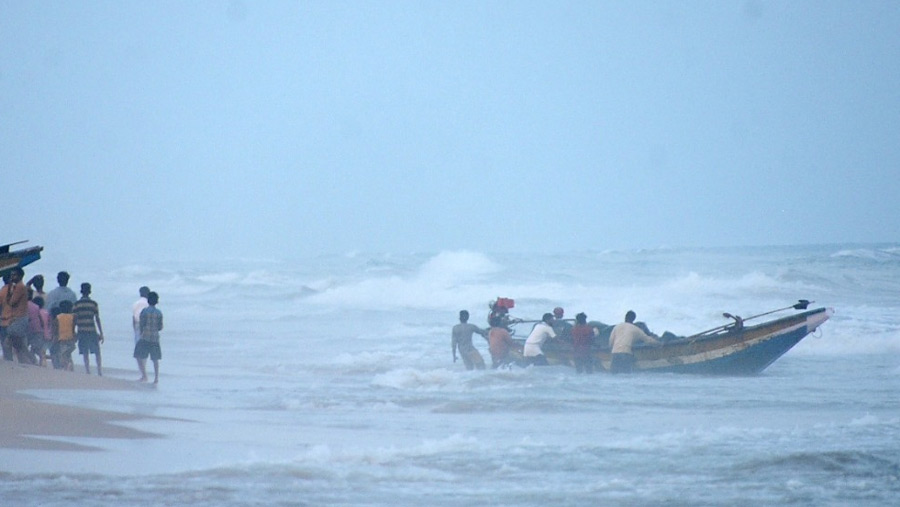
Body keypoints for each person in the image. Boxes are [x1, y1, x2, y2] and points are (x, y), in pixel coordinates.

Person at [1, 268, 34, 364]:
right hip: (15, 319)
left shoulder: (19, 287)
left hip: (17, 319)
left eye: (14, 275)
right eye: (11, 275)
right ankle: (29, 360)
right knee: (18, 344)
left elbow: (12, 302)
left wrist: (9, 292)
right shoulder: (18, 287)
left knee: (9, 343)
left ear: (20, 276)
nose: (12, 277)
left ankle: (12, 361)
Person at [73, 282, 104, 375]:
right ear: (89, 291)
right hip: (92, 330)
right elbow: (97, 319)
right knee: (97, 352)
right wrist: (101, 333)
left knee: (85, 352)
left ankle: (87, 370)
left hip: (81, 330)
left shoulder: (77, 304)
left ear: (81, 291)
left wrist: (73, 331)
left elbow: (74, 319)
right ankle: (99, 371)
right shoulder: (93, 304)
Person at [134, 291, 163, 384]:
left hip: (145, 337)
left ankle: (144, 375)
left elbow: (142, 324)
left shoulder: (144, 311)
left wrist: (142, 332)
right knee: (155, 359)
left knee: (138, 355)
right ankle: (156, 378)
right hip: (155, 338)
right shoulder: (159, 313)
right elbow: (160, 327)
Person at [52, 300, 76, 371]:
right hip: (71, 338)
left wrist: (54, 338)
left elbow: (55, 330)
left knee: (63, 354)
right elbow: (73, 328)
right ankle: (70, 367)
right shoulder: (73, 316)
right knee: (68, 354)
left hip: (62, 339)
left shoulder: (58, 317)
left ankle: (66, 367)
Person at [27, 293, 47, 366]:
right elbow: (43, 322)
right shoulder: (44, 311)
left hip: (31, 330)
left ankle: (35, 361)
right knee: (35, 348)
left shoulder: (32, 308)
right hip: (39, 331)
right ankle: (39, 360)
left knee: (28, 348)